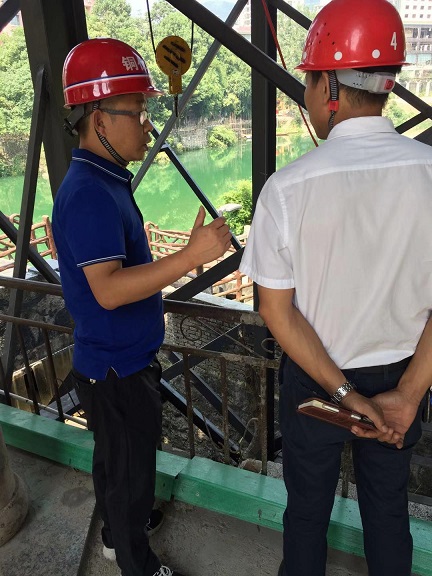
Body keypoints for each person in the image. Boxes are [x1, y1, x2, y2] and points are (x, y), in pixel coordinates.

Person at [239, 1, 432, 575]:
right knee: (388, 514)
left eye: (307, 81)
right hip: (404, 373)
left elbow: (276, 311)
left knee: (306, 516)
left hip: (318, 385)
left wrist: (347, 396)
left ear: (328, 86)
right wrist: (408, 395)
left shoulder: (288, 189)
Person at [52, 38, 231, 576]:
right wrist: (191, 256)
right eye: (138, 112)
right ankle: (136, 562)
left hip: (111, 362)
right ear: (100, 119)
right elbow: (108, 290)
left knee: (115, 462)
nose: (147, 125)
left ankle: (117, 530)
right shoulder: (90, 192)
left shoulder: (103, 181)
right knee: (130, 471)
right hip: (117, 368)